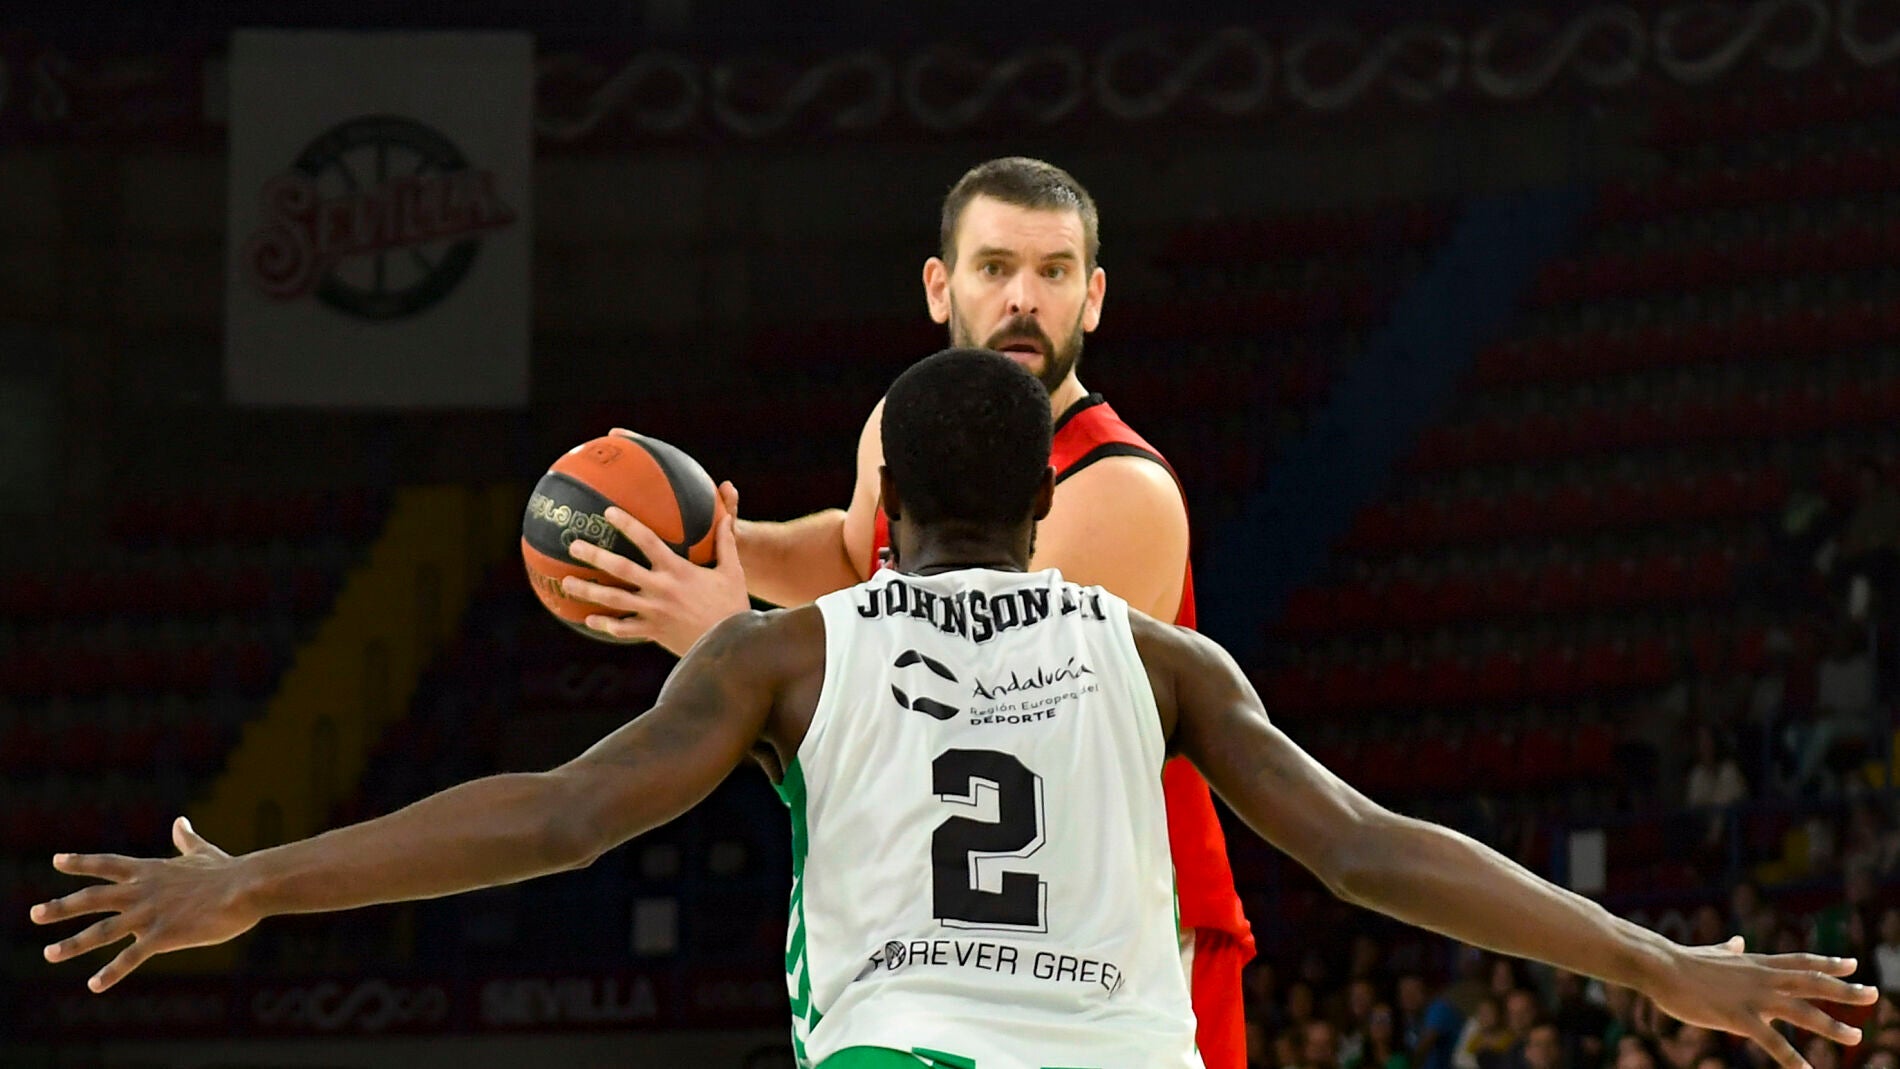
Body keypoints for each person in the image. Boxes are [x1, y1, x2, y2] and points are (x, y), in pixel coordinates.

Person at [30, 351, 1879, 1069]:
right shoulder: (1160, 659)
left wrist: (259, 878)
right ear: (1036, 505)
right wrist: (1662, 964)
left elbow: (560, 813)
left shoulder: (788, 653)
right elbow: (1369, 849)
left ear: (886, 505)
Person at [570, 156, 1255, 1066]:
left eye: (1053, 272)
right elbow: (855, 557)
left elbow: (981, 714)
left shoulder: (1119, 487)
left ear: (1092, 298)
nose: (1023, 298)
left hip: (1119, 945)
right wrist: (712, 541)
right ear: (940, 287)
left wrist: (724, 637)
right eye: (995, 266)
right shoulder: (908, 423)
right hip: (975, 921)